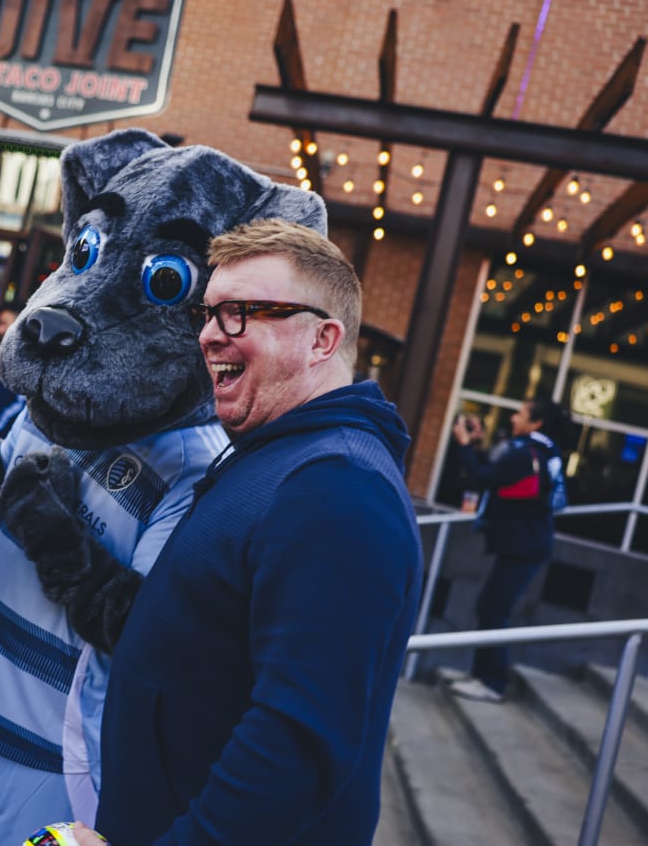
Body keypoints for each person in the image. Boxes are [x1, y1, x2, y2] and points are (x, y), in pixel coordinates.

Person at [74, 218, 423, 845]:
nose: (210, 335)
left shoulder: (339, 487)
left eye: (241, 313)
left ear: (323, 339)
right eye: (208, 314)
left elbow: (296, 741)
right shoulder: (280, 454)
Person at [447, 397, 571, 704]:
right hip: (525, 543)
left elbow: (482, 476)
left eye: (520, 413)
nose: (513, 418)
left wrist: (463, 445)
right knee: (490, 607)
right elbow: (495, 470)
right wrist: (476, 443)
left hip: (523, 546)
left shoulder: (525, 452)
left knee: (493, 609)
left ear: (536, 422)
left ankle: (492, 682)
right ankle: (482, 675)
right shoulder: (541, 450)